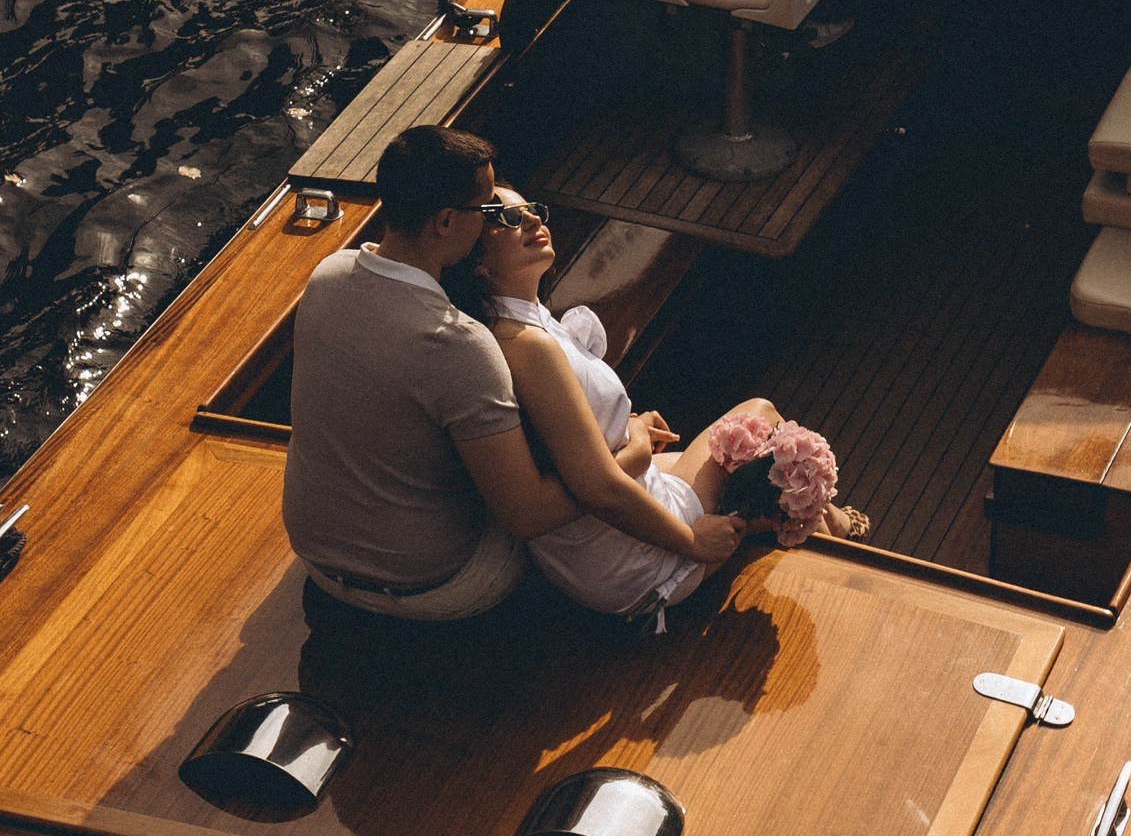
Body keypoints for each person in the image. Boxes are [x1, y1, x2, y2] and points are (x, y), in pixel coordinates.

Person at [281, 127, 740, 623]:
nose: (503, 221)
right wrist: (630, 451)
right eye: (490, 213)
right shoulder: (461, 345)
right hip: (431, 583)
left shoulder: (329, 274)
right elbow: (527, 516)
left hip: (316, 556)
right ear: (446, 222)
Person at [447, 185, 857, 623]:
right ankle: (830, 525)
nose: (531, 220)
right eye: (507, 219)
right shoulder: (526, 346)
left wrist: (632, 427)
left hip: (589, 550)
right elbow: (600, 489)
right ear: (478, 264)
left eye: (531, 209)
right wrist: (690, 540)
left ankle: (803, 518)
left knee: (735, 455)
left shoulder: (520, 324)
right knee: (759, 416)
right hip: (634, 563)